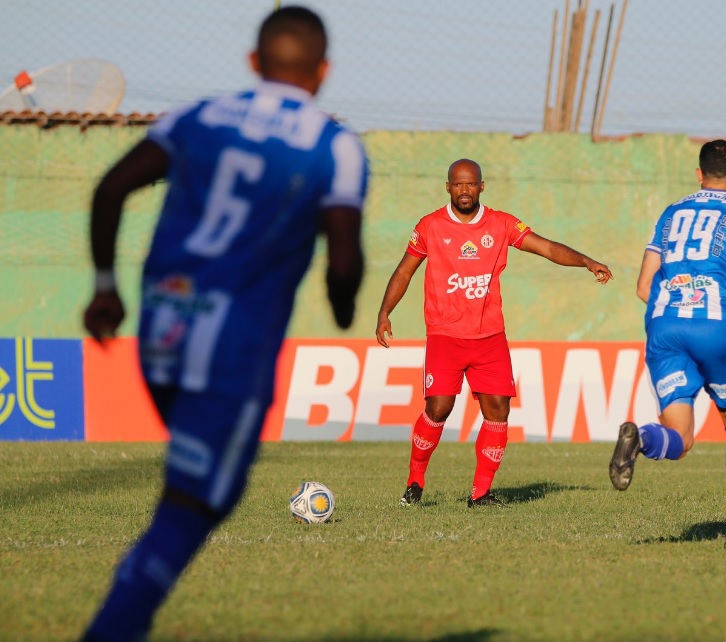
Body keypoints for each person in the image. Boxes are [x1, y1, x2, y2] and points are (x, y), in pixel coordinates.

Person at [80, 7, 368, 640]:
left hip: (160, 334)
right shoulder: (335, 146)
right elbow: (343, 257)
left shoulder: (196, 117)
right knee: (193, 507)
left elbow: (109, 189)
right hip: (233, 349)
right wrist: (344, 302)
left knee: (190, 487)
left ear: (252, 63)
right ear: (322, 72)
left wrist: (106, 290)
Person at [376, 159, 613, 507]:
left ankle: (481, 493)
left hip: (489, 338)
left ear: (481, 187)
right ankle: (414, 482)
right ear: (448, 188)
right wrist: (384, 312)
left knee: (498, 411)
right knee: (439, 408)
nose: (464, 191)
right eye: (458, 185)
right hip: (445, 336)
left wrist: (586, 261)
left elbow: (546, 247)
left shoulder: (501, 224)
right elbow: (404, 271)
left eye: (471, 184)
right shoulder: (429, 226)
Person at [608, 139, 726, 549]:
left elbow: (643, 286)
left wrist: (677, 299)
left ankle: (642, 439)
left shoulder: (672, 214)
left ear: (699, 174)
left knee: (680, 437)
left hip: (664, 325)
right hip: (716, 325)